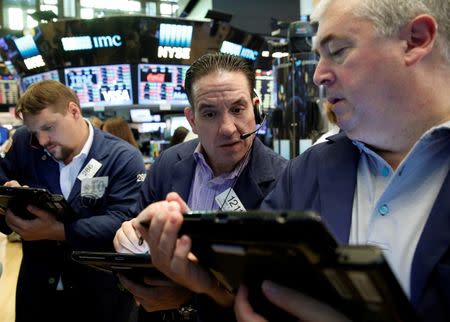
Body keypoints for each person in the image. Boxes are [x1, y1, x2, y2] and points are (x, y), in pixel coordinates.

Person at [234, 0, 450, 321]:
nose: (319, 75)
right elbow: (256, 288)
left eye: (337, 51)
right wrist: (204, 284)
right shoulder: (307, 171)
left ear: (415, 40)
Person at [113, 52, 288, 321]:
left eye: (238, 109)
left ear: (256, 108)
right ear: (192, 120)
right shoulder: (169, 163)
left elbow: (273, 294)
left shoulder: (284, 180)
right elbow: (137, 232)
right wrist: (128, 237)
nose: (228, 128)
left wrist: (187, 295)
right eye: (209, 113)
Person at [0, 80, 146, 322]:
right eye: (35, 132)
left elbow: (124, 222)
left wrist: (59, 231)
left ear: (74, 111)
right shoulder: (26, 144)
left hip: (100, 298)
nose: (43, 140)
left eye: (49, 127)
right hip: (37, 296)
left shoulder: (122, 157)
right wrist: (8, 195)